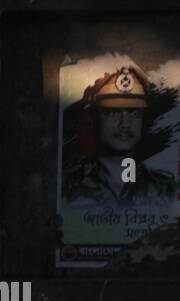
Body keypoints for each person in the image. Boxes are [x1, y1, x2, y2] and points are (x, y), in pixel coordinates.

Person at [62, 65, 177, 205]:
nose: (125, 124)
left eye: (135, 113)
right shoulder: (68, 186)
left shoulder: (165, 188)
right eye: (112, 112)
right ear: (93, 120)